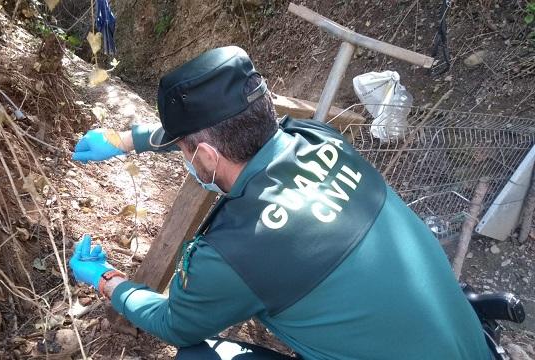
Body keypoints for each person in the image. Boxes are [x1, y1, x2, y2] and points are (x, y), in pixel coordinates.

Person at [69, 46, 492, 359]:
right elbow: (216, 133)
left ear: (204, 158)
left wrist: (107, 279)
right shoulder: (322, 140)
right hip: (471, 346)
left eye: (183, 150)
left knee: (197, 356)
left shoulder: (233, 250)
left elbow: (172, 325)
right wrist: (125, 140)